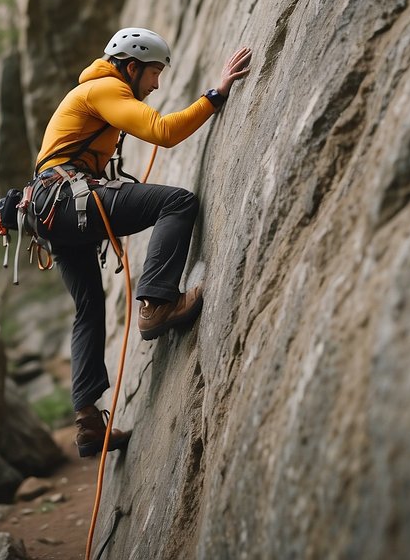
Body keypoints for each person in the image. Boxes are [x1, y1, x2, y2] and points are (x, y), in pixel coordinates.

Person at [30, 27, 252, 457]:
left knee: (89, 309)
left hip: (49, 210)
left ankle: (88, 421)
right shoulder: (106, 88)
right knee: (177, 202)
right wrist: (216, 94)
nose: (156, 84)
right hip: (66, 196)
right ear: (131, 67)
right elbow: (164, 132)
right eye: (153, 73)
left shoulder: (98, 92)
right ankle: (157, 303)